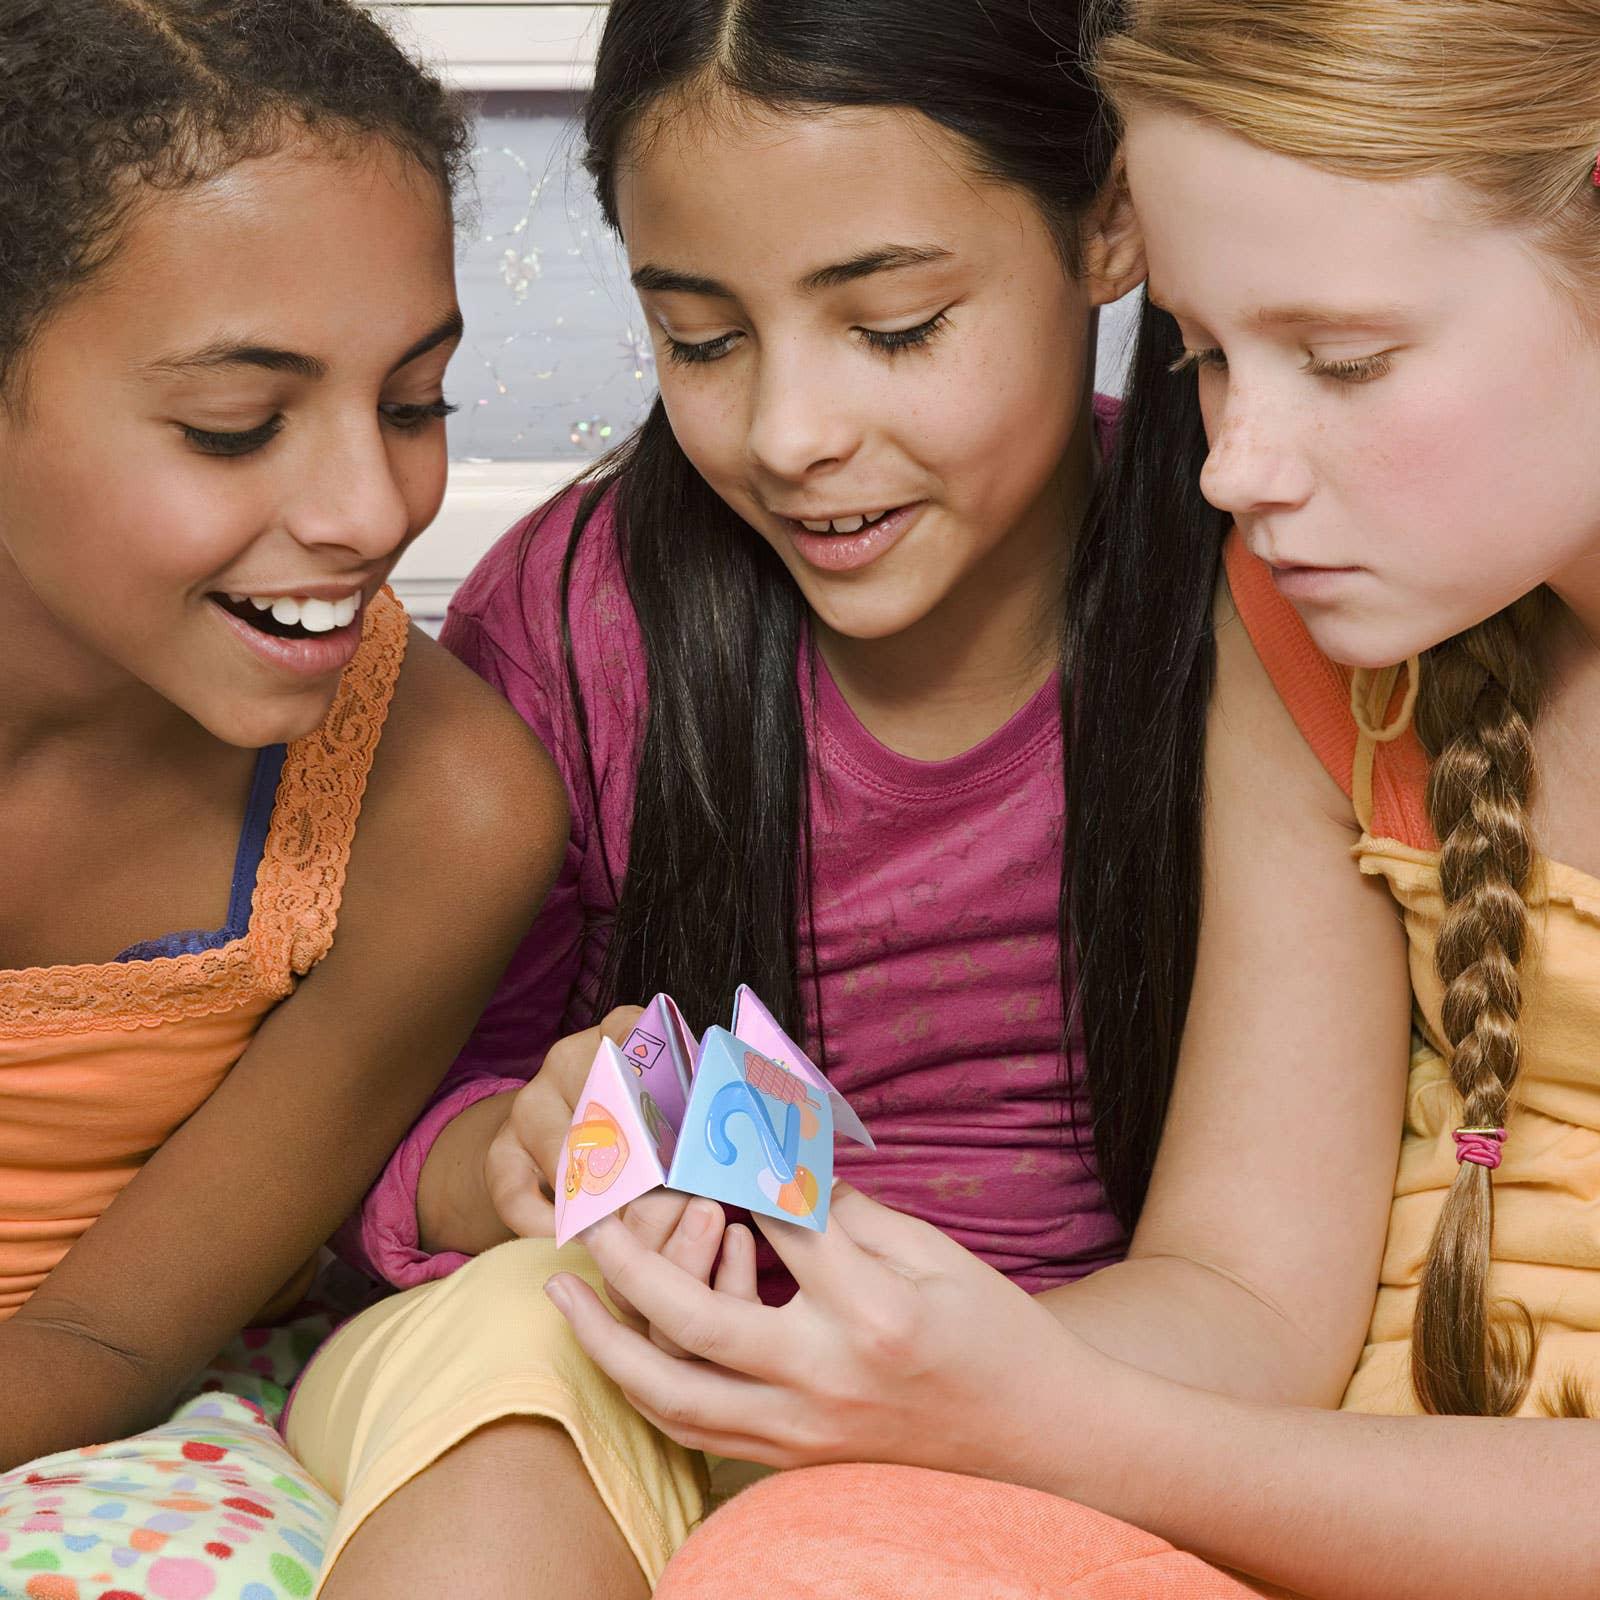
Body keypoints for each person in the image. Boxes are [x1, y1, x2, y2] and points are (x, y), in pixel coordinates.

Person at [608, 3, 1600, 1596]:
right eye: (1204, 355)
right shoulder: (1315, 626)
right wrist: (890, 1374)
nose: (1230, 467)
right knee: (798, 1554)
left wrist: (1060, 1424)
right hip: (1292, 1518)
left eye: (1343, 360)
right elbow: (1251, 1303)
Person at [281, 0, 1151, 1593]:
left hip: (1100, 1394)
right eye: (700, 339)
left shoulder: (1243, 590)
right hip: (627, 1354)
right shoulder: (578, 617)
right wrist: (510, 1151)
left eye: (891, 326)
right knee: (507, 1379)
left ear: (1107, 220)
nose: (792, 434)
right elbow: (371, 1130)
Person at [0, 2, 565, 1593]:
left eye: (414, 403)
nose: (369, 508)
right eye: (234, 426)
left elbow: (109, 1336)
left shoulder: (442, 808)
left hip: (96, 1428)